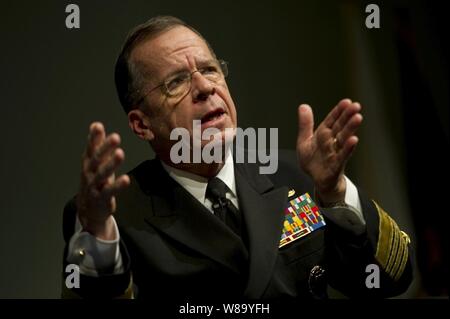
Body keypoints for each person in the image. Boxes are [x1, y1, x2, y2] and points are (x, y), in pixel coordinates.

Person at [62, 15, 413, 300]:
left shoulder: (298, 175)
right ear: (142, 124)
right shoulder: (113, 216)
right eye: (176, 82)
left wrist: (336, 193)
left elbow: (389, 280)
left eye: (210, 69)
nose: (204, 88)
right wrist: (100, 236)